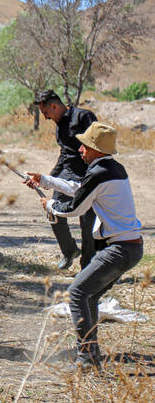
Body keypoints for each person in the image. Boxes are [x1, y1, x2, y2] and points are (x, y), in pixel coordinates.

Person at [25, 122, 143, 369]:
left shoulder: (99, 173)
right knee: (88, 296)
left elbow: (76, 206)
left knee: (77, 293)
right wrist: (45, 180)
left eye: (85, 145)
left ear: (97, 150)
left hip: (118, 250)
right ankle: (91, 356)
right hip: (130, 248)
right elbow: (80, 189)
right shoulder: (110, 168)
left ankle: (86, 359)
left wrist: (50, 206)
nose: (80, 150)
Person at [34, 89, 97, 270]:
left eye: (46, 113)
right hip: (67, 174)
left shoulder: (84, 117)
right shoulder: (59, 125)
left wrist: (95, 175)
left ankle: (88, 265)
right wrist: (49, 178)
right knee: (53, 210)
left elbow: (97, 145)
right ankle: (69, 250)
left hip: (88, 175)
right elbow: (64, 155)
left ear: (54, 106)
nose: (46, 117)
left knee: (88, 222)